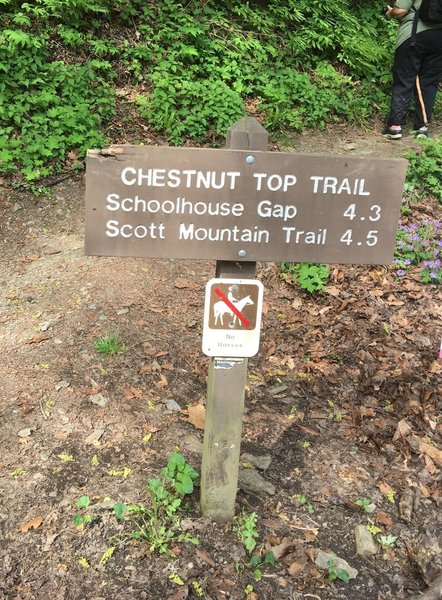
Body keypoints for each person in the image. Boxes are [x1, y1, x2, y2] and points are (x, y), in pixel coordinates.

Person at [384, 0, 442, 139]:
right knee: (429, 83)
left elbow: (400, 10)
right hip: (439, 39)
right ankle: (422, 127)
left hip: (414, 36)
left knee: (404, 80)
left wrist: (390, 12)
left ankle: (396, 126)